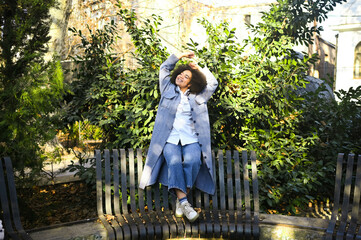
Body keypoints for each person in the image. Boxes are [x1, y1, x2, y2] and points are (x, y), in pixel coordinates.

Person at [139, 51, 218, 222]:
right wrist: (180, 56)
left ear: (191, 84)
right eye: (181, 73)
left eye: (186, 76)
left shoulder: (199, 96)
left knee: (193, 161)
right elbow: (164, 68)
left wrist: (198, 69)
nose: (181, 76)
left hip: (191, 138)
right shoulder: (167, 88)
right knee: (173, 162)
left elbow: (212, 83)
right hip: (169, 139)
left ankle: (180, 202)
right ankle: (185, 203)